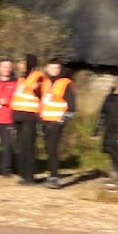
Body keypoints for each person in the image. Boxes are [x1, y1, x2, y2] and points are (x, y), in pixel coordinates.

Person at [38, 58, 77, 189]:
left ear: (60, 69)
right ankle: (51, 175)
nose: (54, 70)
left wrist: (62, 121)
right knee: (48, 149)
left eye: (56, 68)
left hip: (56, 121)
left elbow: (72, 107)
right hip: (44, 120)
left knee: (53, 149)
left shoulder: (66, 83)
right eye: (51, 67)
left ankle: (54, 178)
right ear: (47, 68)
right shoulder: (44, 82)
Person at [10, 53, 44, 186]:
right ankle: (23, 174)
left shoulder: (37, 76)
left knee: (29, 146)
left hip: (29, 116)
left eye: (22, 63)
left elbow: (39, 92)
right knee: (21, 146)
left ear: (29, 63)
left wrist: (37, 89)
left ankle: (29, 176)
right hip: (19, 116)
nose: (19, 65)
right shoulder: (22, 79)